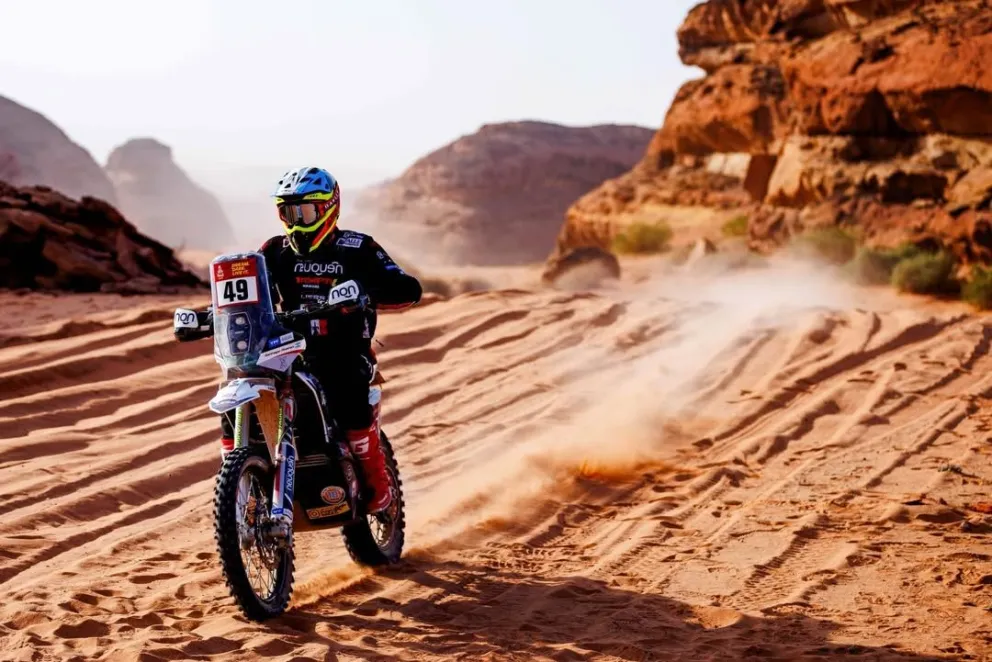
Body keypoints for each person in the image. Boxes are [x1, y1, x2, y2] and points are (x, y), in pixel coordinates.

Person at [179, 166, 422, 513]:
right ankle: (239, 490)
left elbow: (409, 289)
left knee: (349, 394)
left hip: (343, 350)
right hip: (286, 348)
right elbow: (246, 294)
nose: (296, 223)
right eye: (288, 213)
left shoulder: (357, 248)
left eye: (304, 212)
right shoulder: (273, 251)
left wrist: (364, 291)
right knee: (234, 397)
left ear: (328, 208)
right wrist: (209, 316)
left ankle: (379, 487)